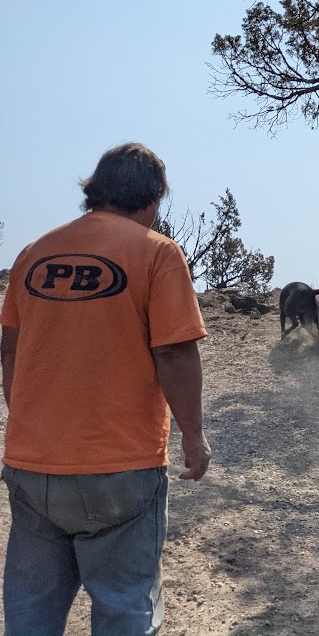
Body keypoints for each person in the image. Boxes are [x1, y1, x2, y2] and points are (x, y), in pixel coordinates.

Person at [0, 143, 210, 635]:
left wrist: (30, 420)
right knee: (124, 606)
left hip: (32, 467)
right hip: (120, 467)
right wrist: (194, 438)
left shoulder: (34, 255)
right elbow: (175, 352)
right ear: (154, 199)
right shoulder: (157, 253)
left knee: (31, 610)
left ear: (94, 191)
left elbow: (9, 347)